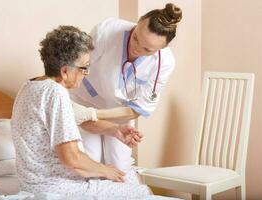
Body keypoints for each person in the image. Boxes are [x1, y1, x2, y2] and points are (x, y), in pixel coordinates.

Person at [11, 25, 150, 197]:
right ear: (65, 71)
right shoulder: (55, 93)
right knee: (142, 191)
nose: (87, 73)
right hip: (59, 188)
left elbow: (80, 119)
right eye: (84, 68)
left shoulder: (31, 86)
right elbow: (72, 158)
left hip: (34, 186)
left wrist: (115, 130)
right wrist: (105, 171)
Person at [70, 3, 182, 173]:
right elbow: (76, 67)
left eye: (147, 49)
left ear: (162, 49)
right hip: (85, 100)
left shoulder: (164, 63)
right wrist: (84, 113)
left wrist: (99, 117)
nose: (136, 48)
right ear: (137, 23)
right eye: (136, 37)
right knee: (89, 161)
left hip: (118, 111)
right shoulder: (107, 30)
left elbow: (139, 108)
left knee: (120, 167)